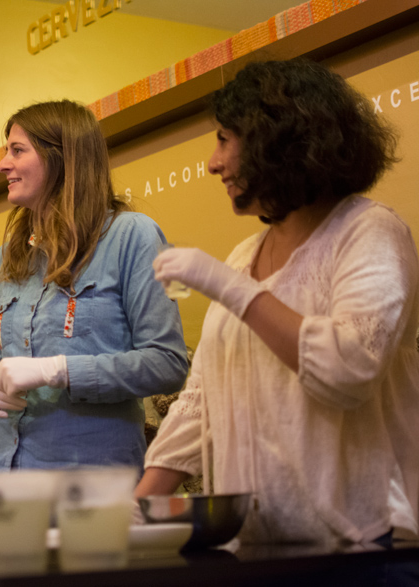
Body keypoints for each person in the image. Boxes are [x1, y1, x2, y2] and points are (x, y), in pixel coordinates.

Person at [138, 60, 419, 548]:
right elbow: (199, 401)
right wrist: (137, 512)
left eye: (225, 139)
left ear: (281, 139)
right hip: (260, 549)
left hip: (367, 548)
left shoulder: (370, 232)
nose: (212, 161)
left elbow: (349, 369)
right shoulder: (243, 256)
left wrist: (229, 287)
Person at [0, 99, 190, 472]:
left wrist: (58, 371)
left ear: (62, 157)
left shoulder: (132, 236)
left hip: (91, 486)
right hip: (4, 480)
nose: (2, 164)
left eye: (17, 150)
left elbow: (167, 364)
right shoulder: (5, 258)